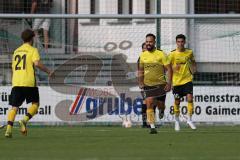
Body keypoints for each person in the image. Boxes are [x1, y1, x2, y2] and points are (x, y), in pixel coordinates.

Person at [5, 29, 53, 138]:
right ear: (32, 39)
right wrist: (49, 71)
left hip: (16, 82)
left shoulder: (16, 51)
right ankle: (24, 120)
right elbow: (37, 64)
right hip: (29, 82)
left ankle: (8, 130)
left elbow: (13, 68)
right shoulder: (32, 50)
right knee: (35, 104)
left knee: (14, 107)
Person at [138, 33, 172, 134]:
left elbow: (169, 69)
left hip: (161, 85)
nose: (148, 43)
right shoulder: (143, 55)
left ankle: (161, 110)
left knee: (160, 105)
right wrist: (140, 82)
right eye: (147, 41)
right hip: (148, 85)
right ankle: (152, 126)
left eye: (150, 42)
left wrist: (169, 83)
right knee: (149, 103)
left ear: (154, 42)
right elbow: (140, 70)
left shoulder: (161, 54)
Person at [168, 34, 197, 131]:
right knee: (177, 101)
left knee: (190, 98)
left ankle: (189, 119)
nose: (180, 43)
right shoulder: (172, 54)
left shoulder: (189, 52)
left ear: (185, 42)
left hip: (187, 80)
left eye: (182, 42)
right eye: (178, 42)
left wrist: (194, 69)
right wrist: (172, 69)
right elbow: (167, 67)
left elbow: (193, 61)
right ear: (176, 43)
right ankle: (176, 121)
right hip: (176, 82)